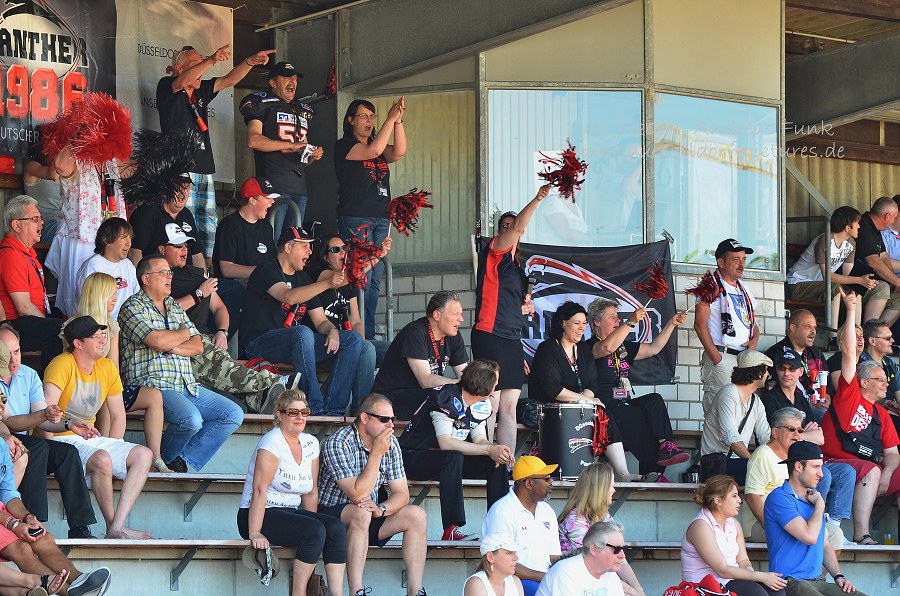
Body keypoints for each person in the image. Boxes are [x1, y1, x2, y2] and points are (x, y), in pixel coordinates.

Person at [119, 254, 244, 473]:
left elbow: (197, 345)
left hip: (186, 384)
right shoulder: (132, 307)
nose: (169, 277)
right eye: (163, 272)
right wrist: (180, 334)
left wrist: (173, 345)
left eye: (170, 272)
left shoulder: (174, 306)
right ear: (146, 279)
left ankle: (181, 461)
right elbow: (156, 341)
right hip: (154, 385)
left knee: (233, 414)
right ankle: (166, 460)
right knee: (191, 420)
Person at [158, 228, 296, 414]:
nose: (184, 250)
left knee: (220, 364)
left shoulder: (196, 274)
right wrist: (198, 294)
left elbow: (220, 308)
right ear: (161, 249)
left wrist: (222, 331)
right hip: (179, 339)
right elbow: (161, 311)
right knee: (220, 364)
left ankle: (261, 399)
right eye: (177, 246)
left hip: (202, 337)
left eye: (185, 245)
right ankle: (270, 383)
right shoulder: (158, 277)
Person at [157, 44, 275, 257]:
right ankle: (188, 268)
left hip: (205, 168)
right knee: (185, 219)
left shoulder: (201, 90)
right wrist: (210, 60)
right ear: (179, 68)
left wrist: (250, 61)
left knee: (208, 220)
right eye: (196, 65)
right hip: (180, 170)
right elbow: (181, 82)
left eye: (202, 65)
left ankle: (208, 268)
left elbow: (229, 80)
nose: (202, 71)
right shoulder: (167, 86)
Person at [43, 316, 153, 540]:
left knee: (144, 454)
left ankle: (117, 526)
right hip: (62, 439)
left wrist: (116, 446)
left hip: (90, 438)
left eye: (103, 335)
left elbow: (118, 416)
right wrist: (51, 452)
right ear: (78, 343)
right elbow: (45, 415)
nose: (103, 340)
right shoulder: (61, 364)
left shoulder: (107, 367)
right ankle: (114, 526)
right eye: (95, 337)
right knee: (102, 458)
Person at [241, 226, 362, 416]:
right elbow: (288, 296)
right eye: (304, 247)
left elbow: (321, 321)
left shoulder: (304, 278)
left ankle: (334, 409)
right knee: (303, 332)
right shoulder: (266, 270)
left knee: (352, 339)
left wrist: (332, 330)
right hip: (258, 344)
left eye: (311, 247)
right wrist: (328, 284)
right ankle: (314, 406)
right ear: (288, 248)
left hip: (295, 345)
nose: (310, 252)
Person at [317, 393, 427, 596]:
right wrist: (376, 454)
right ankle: (357, 591)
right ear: (365, 418)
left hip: (369, 513)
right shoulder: (338, 442)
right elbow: (357, 494)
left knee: (416, 515)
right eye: (384, 419)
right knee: (361, 513)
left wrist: (382, 509)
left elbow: (402, 494)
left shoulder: (390, 443)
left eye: (393, 419)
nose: (390, 425)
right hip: (330, 515)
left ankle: (415, 591)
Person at [238, 390, 346, 596]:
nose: (300, 417)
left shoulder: (311, 443)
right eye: (293, 412)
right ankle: (299, 593)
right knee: (314, 530)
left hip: (289, 512)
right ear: (279, 415)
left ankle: (337, 593)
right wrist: (254, 532)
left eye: (304, 412)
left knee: (335, 527)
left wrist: (314, 519)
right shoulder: (272, 442)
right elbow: (259, 490)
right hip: (258, 513)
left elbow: (311, 491)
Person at [63, 272, 170, 472]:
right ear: (98, 295)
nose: (115, 298)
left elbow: (112, 367)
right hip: (81, 388)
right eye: (111, 293)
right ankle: (103, 453)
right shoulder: (72, 326)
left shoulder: (111, 325)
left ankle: (154, 456)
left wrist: (111, 387)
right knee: (102, 397)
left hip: (109, 384)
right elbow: (69, 362)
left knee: (153, 396)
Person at [472, 185, 549, 459]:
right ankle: (486, 454)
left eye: (512, 225)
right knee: (490, 400)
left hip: (511, 337)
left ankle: (505, 462)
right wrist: (538, 197)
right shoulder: (493, 251)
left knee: (509, 406)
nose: (509, 228)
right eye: (504, 225)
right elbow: (516, 228)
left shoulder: (518, 266)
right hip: (490, 332)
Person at [0, 325, 97, 539]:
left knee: (67, 453)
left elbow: (42, 417)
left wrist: (68, 424)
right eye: (7, 354)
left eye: (16, 351)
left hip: (22, 441)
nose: (13, 359)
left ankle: (81, 528)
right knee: (39, 447)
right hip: (4, 440)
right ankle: (35, 523)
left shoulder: (29, 375)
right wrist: (44, 415)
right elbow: (10, 422)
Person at [400, 359, 513, 541]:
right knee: (453, 456)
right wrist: (488, 450)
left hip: (446, 462)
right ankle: (451, 529)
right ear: (485, 387)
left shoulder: (480, 403)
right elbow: (446, 443)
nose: (497, 386)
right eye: (495, 383)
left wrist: (495, 449)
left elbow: (480, 439)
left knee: (495, 461)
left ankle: (500, 526)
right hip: (413, 457)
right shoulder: (444, 396)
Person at [0, 412, 111, 596]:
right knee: (20, 547)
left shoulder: (3, 446)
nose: (2, 405)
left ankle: (79, 580)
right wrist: (13, 524)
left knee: (41, 537)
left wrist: (27, 517)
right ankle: (71, 593)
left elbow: (8, 494)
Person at [820, 290, 900, 545]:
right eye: (880, 380)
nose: (886, 384)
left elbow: (893, 453)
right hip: (834, 460)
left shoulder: (881, 413)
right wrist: (851, 309)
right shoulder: (849, 394)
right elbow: (848, 353)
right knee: (870, 470)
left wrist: (888, 472)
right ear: (863, 382)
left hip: (869, 466)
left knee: (882, 471)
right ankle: (862, 534)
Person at [527, 301, 640, 482]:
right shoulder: (548, 349)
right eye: (576, 323)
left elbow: (592, 385)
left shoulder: (584, 349)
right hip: (551, 409)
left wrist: (586, 400)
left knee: (605, 415)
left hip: (579, 406)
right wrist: (584, 400)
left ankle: (624, 474)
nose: (581, 328)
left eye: (584, 323)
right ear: (563, 323)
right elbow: (553, 389)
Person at [586, 297, 690, 477]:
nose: (617, 321)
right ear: (597, 321)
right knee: (636, 417)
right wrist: (631, 321)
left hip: (623, 403)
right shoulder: (589, 346)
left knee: (654, 401)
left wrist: (671, 325)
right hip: (604, 407)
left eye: (618, 317)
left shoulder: (622, 347)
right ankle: (654, 474)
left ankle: (666, 445)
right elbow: (606, 347)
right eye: (612, 317)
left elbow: (653, 348)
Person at [334, 97, 407, 339]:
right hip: (357, 218)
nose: (369, 120)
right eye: (364, 116)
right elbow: (373, 149)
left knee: (374, 279)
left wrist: (398, 121)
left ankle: (368, 332)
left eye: (372, 116)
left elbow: (398, 151)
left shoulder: (378, 147)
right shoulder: (344, 145)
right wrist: (389, 118)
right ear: (351, 120)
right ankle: (358, 333)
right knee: (360, 276)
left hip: (381, 218)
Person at [764, 441, 866, 596]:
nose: (822, 473)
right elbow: (809, 537)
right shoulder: (779, 498)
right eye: (815, 467)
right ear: (798, 466)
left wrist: (838, 576)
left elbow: (823, 544)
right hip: (788, 582)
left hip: (818, 581)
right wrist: (819, 505)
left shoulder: (812, 497)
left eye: (821, 466)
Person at [45, 133, 129, 318]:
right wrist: (78, 135)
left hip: (111, 239)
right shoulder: (76, 158)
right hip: (80, 239)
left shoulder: (111, 162)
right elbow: (59, 165)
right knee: (82, 296)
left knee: (112, 291)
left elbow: (133, 167)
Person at [744, 406, 852, 550]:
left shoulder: (795, 456)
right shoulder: (762, 455)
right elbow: (752, 496)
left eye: (800, 430)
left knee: (835, 534)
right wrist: (769, 526)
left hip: (794, 518)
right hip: (763, 524)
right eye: (791, 429)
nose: (797, 435)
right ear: (775, 432)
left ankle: (818, 574)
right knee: (809, 536)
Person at [239, 62, 324, 234]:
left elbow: (302, 159)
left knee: (293, 245)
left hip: (299, 189)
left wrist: (312, 155)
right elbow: (253, 140)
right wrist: (291, 145)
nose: (292, 81)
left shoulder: (300, 110)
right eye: (286, 77)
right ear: (272, 82)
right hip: (273, 187)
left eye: (294, 78)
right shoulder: (262, 102)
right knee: (273, 241)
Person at [309, 233, 392, 409]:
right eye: (335, 250)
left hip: (349, 343)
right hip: (326, 344)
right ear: (326, 257)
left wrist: (358, 343)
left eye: (344, 249)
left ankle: (390, 405)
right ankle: (362, 411)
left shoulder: (349, 285)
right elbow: (349, 276)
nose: (342, 253)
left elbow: (356, 322)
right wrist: (377, 256)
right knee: (368, 349)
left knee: (393, 348)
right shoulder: (319, 274)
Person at [682, 475, 786, 596]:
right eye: (734, 496)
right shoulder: (700, 526)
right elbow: (722, 569)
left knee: (776, 591)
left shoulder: (734, 523)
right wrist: (761, 576)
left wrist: (752, 578)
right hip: (702, 586)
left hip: (729, 581)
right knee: (755, 592)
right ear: (718, 500)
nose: (739, 500)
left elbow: (743, 560)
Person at [372, 291, 468, 420]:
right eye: (456, 314)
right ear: (437, 315)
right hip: (391, 399)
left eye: (461, 314)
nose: (461, 319)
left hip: (422, 395)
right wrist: (460, 384)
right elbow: (425, 380)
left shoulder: (453, 335)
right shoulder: (415, 332)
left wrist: (473, 387)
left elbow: (465, 376)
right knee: (442, 397)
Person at [787, 206, 874, 348]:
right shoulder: (825, 240)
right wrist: (859, 280)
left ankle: (855, 335)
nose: (859, 226)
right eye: (857, 222)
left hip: (820, 286)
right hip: (798, 284)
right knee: (835, 287)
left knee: (855, 291)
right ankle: (833, 338)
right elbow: (827, 276)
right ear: (847, 227)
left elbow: (848, 275)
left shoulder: (850, 244)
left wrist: (859, 284)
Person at [556, 463, 644, 595]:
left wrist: (639, 589)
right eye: (611, 486)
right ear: (600, 489)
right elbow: (591, 565)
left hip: (599, 576)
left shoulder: (604, 516)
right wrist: (632, 591)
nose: (614, 490)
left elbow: (621, 560)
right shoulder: (575, 521)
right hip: (575, 581)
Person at [694, 239, 760, 414]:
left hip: (744, 360)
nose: (741, 264)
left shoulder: (743, 288)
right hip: (723, 356)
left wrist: (754, 341)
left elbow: (753, 324)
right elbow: (700, 325)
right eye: (736, 259)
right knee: (718, 416)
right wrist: (717, 359)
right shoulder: (709, 286)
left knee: (740, 414)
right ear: (721, 262)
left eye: (744, 259)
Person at [482, 455, 561, 596]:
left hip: (543, 581)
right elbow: (500, 562)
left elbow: (553, 557)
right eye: (546, 478)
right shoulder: (502, 511)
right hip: (513, 581)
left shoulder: (547, 510)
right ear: (529, 483)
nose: (551, 481)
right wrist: (543, 577)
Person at [0, 196, 63, 370]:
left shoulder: (26, 253)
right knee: (59, 330)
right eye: (35, 219)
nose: (41, 223)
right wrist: (48, 323)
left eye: (40, 218)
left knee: (68, 324)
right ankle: (49, 387)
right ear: (16, 225)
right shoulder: (11, 255)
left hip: (28, 321)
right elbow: (24, 307)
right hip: (13, 325)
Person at [699, 350, 772, 485]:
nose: (768, 374)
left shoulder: (755, 401)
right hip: (717, 464)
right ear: (758, 372)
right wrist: (753, 462)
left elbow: (765, 436)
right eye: (766, 370)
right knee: (759, 476)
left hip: (736, 462)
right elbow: (730, 437)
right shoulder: (728, 394)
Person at [764, 310, 830, 421]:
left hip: (819, 409)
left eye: (814, 327)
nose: (813, 332)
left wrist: (826, 399)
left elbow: (829, 387)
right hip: (789, 414)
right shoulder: (775, 354)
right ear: (793, 328)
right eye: (808, 327)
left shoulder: (816, 353)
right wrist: (810, 407)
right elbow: (773, 396)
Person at [128, 177, 205, 270]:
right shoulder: (149, 211)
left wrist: (204, 278)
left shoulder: (187, 214)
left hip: (186, 277)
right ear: (166, 189)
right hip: (156, 278)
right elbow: (134, 252)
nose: (182, 193)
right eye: (177, 189)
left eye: (186, 188)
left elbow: (197, 254)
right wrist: (142, 281)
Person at [535, 520, 627, 596]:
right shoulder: (566, 572)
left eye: (623, 548)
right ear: (594, 549)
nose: (622, 555)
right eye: (617, 549)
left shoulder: (610, 574)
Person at [212, 177, 278, 283]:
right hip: (233, 287)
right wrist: (262, 271)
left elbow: (273, 262)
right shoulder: (229, 225)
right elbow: (226, 269)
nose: (272, 202)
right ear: (252, 201)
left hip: (260, 284)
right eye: (267, 198)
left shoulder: (266, 227)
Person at [846, 197, 900, 325]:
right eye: (894, 217)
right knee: (883, 287)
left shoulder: (876, 229)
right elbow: (873, 262)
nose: (894, 220)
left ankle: (876, 336)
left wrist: (894, 282)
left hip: (868, 283)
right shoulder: (863, 225)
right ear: (887, 216)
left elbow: (884, 257)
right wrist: (897, 282)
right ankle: (866, 336)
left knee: (897, 297)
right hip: (853, 283)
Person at [74, 217, 138, 319]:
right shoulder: (93, 265)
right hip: (102, 325)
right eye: (124, 237)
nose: (129, 243)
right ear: (106, 240)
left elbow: (136, 296)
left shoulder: (127, 264)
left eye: (130, 238)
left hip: (127, 323)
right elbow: (87, 305)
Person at [857, 318, 900, 432]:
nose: (892, 340)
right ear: (872, 341)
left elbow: (898, 394)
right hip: (869, 415)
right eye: (887, 338)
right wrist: (886, 404)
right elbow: (863, 397)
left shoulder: (890, 363)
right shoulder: (860, 363)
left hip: (891, 412)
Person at [23, 141, 61, 246]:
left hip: (65, 222)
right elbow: (53, 174)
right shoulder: (32, 166)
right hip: (44, 224)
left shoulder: (65, 171)